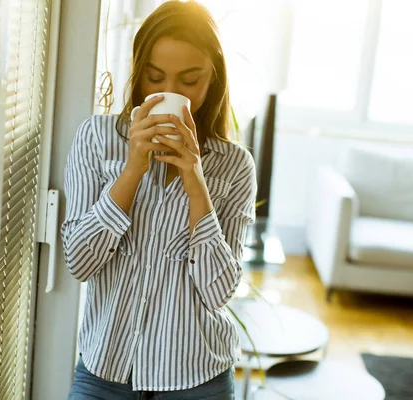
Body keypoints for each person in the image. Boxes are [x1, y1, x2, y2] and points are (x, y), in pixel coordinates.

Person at [62, 1, 257, 398]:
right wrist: (132, 169)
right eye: (155, 77)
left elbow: (219, 291)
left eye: (189, 80)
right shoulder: (97, 139)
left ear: (212, 80)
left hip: (196, 379)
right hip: (104, 372)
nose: (169, 93)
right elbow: (79, 262)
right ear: (139, 73)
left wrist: (195, 181)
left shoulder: (235, 166)